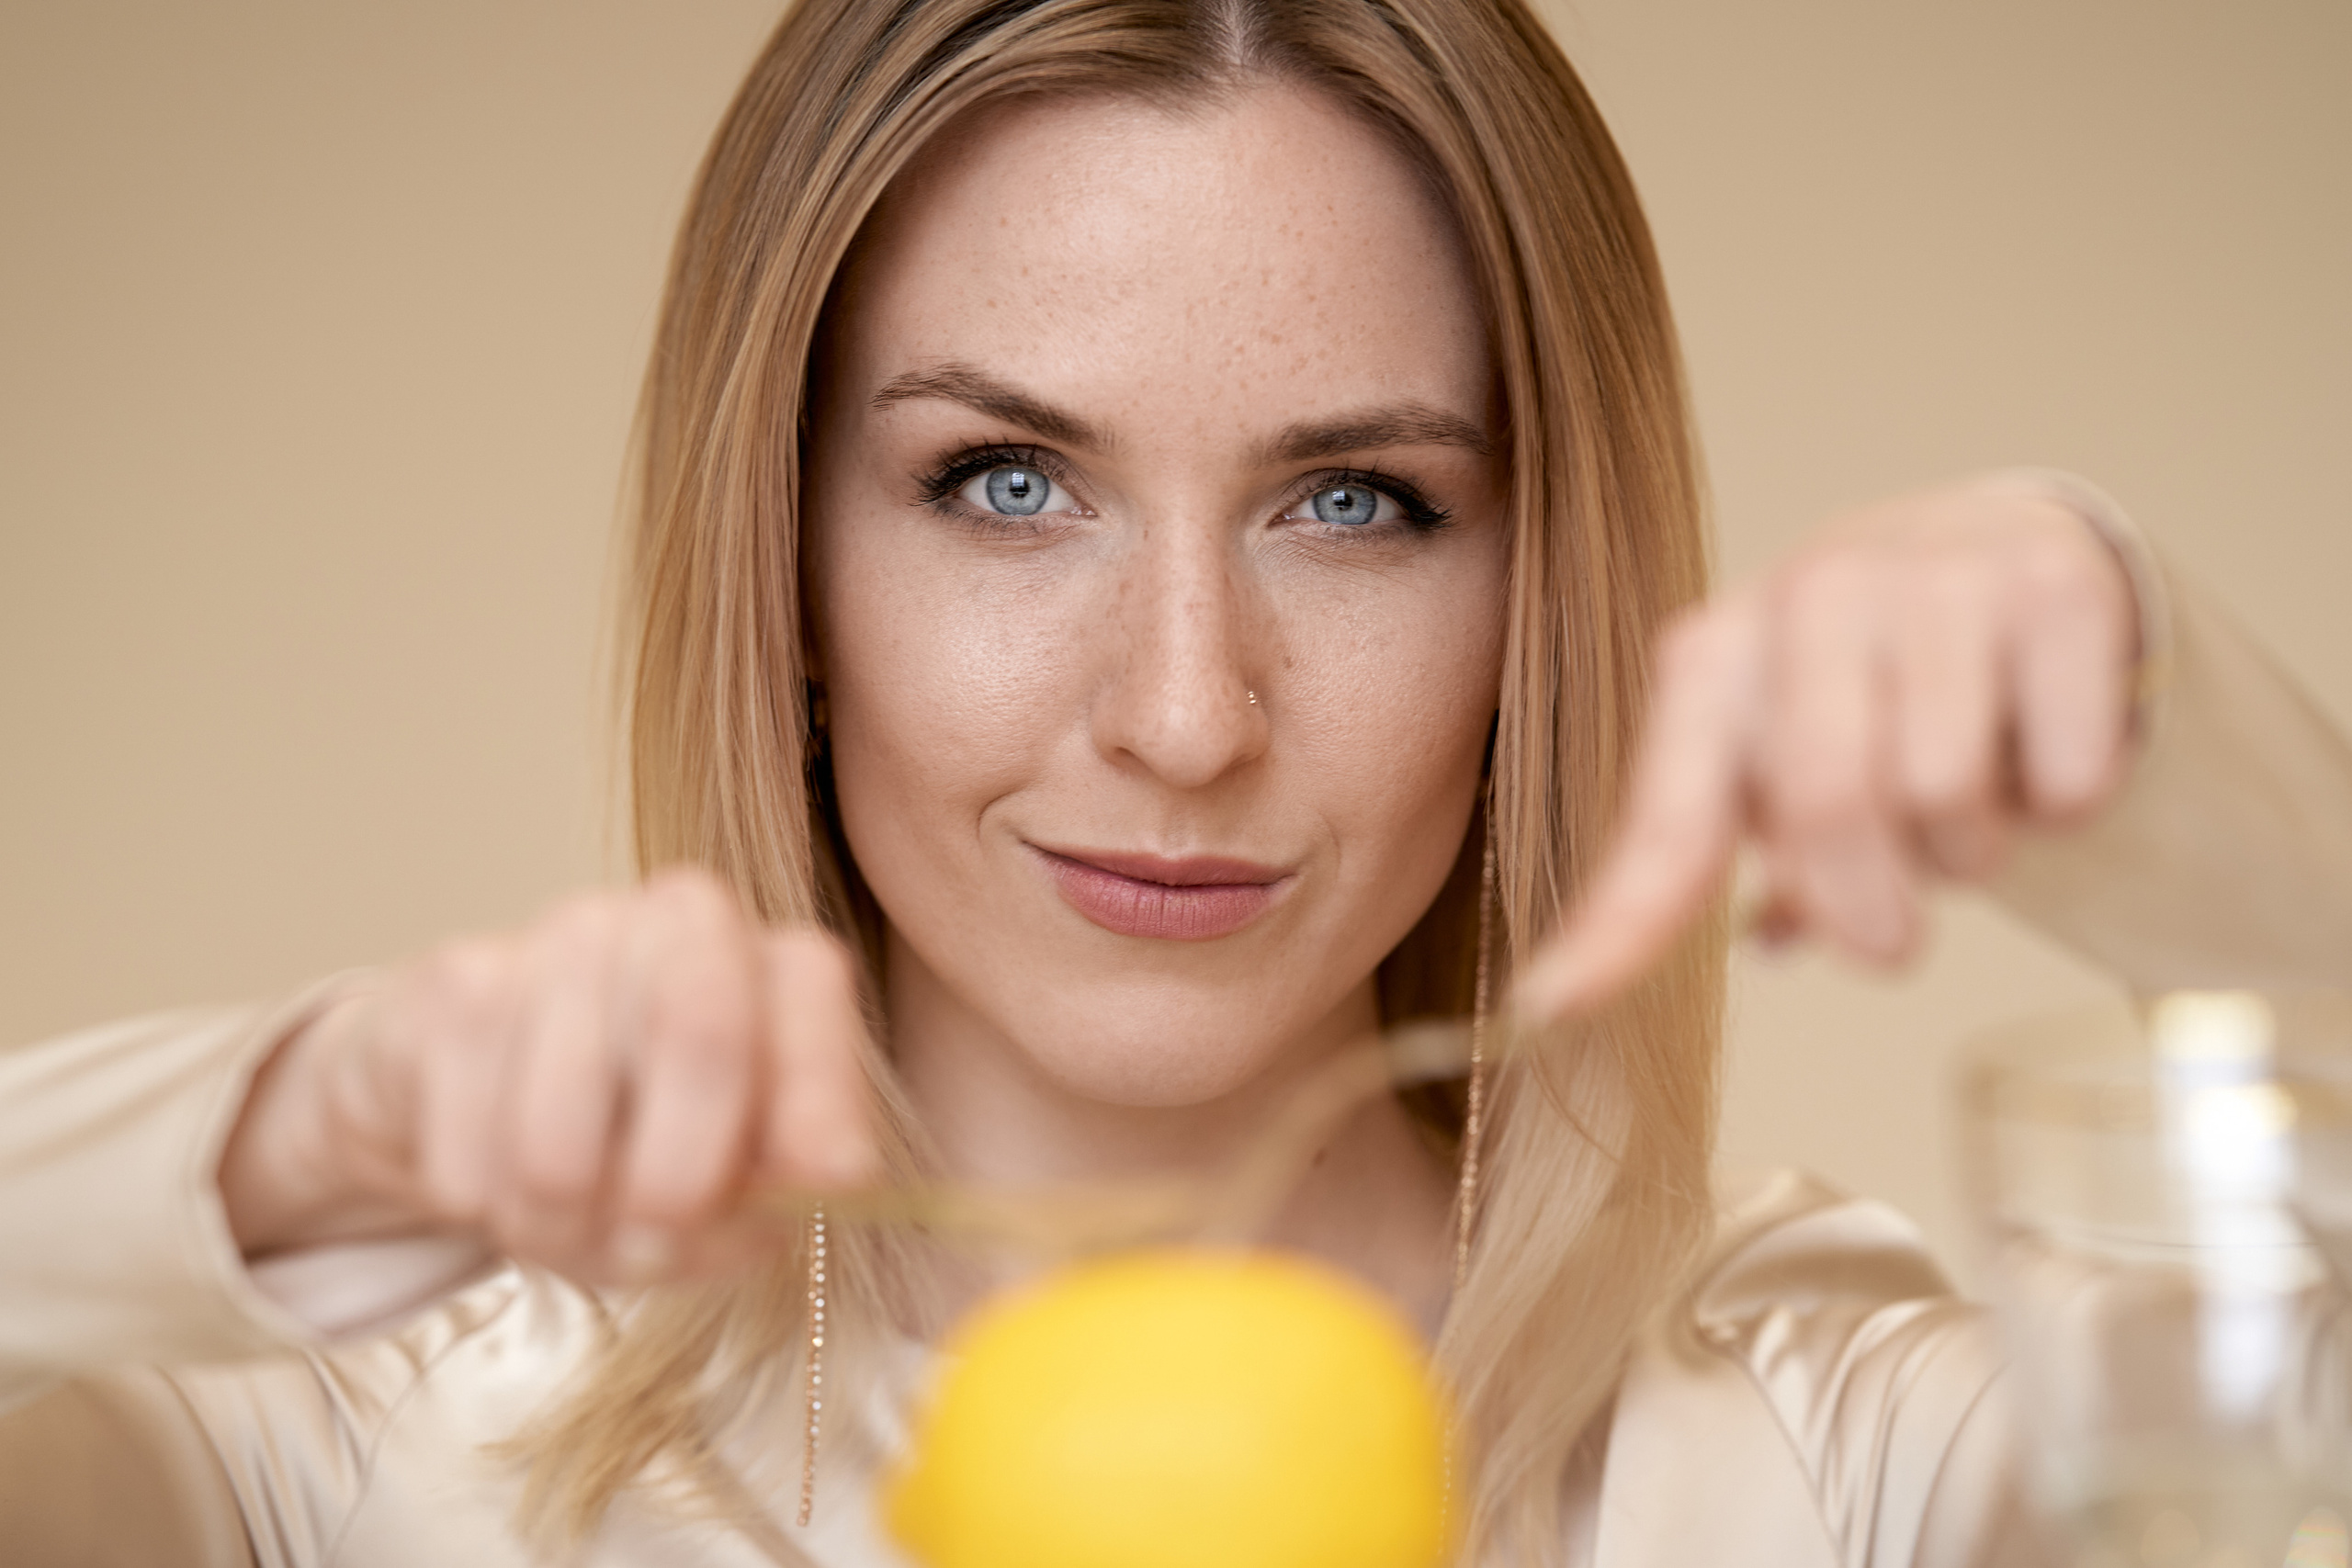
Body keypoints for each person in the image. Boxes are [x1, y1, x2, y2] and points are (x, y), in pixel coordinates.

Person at [3, 1, 2347, 1564]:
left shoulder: (1837, 1443)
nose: (1185, 712)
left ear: (1540, 604)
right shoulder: (365, 1456)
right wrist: (303, 1124)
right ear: (784, 563)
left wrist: (2152, 724)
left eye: (1356, 503)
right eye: (1008, 481)